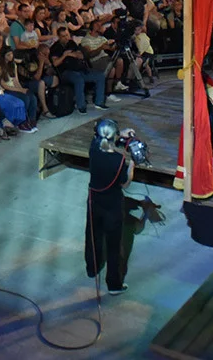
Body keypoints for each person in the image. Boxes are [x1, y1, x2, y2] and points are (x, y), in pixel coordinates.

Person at [85, 117, 131, 295]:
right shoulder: (118, 161)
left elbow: (97, 133)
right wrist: (132, 166)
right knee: (114, 246)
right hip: (112, 206)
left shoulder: (93, 149)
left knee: (92, 236)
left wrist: (119, 134)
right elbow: (125, 183)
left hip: (94, 201)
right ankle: (114, 284)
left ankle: (92, 268)